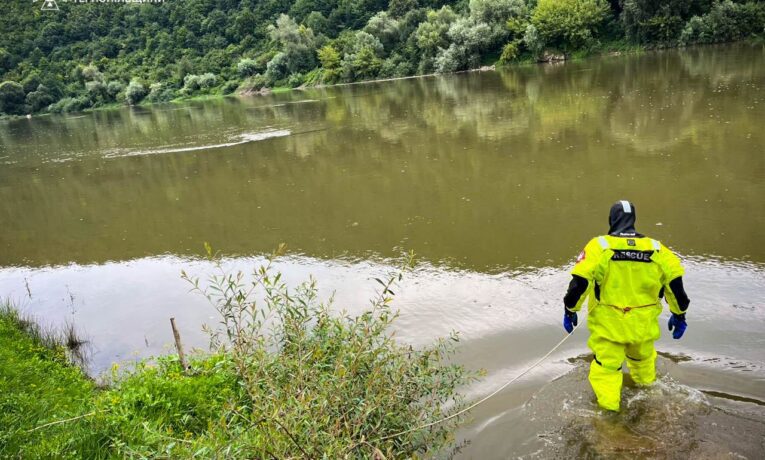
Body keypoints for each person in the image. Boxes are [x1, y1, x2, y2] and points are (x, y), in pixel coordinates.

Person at [562, 200, 690, 412]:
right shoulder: (657, 249)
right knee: (645, 369)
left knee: (607, 372)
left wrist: (570, 309)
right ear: (633, 220)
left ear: (611, 220)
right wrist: (680, 314)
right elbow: (676, 288)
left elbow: (580, 282)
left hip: (609, 328)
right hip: (643, 327)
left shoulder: (600, 246)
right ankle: (652, 408)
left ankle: (609, 418)